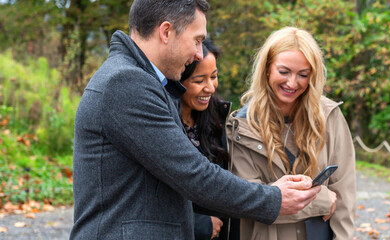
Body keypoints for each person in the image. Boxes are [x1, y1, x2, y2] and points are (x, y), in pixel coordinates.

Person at [71, 1, 320, 239]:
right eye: (197, 40)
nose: (199, 54)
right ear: (166, 32)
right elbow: (194, 174)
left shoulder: (144, 81)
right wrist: (273, 198)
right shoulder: (126, 83)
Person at [226, 26, 356, 240]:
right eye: (284, 72)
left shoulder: (329, 116)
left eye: (303, 74)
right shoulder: (241, 125)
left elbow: (344, 196)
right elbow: (250, 201)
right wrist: (321, 200)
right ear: (267, 68)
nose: (292, 83)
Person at [174, 39, 239, 240]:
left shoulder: (220, 118)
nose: (210, 88)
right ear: (178, 80)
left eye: (214, 76)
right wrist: (197, 224)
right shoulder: (164, 124)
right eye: (199, 80)